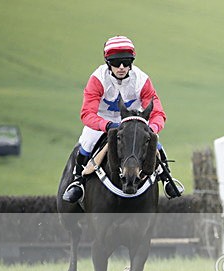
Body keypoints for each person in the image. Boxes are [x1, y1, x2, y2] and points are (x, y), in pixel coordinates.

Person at [63, 35, 180, 203]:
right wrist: (107, 125)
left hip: (134, 121)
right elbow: (87, 113)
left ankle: (167, 179)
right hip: (102, 120)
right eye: (116, 63)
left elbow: (158, 113)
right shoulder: (97, 79)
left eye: (126, 62)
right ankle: (78, 181)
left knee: (157, 144)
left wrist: (151, 128)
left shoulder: (142, 80)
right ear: (108, 63)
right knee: (87, 142)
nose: (122, 67)